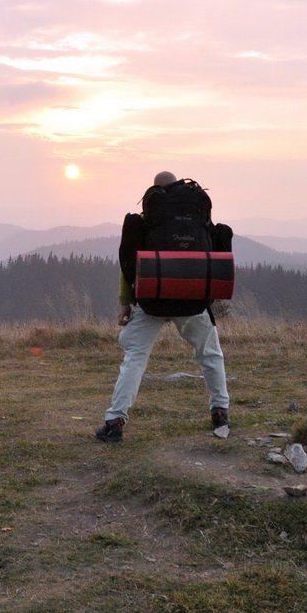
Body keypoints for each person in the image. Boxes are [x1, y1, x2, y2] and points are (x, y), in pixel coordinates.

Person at [95, 171, 230, 442]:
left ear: (155, 189)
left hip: (153, 299)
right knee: (210, 354)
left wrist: (125, 303)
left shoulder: (151, 214)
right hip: (192, 300)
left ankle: (115, 421)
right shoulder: (196, 211)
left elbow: (129, 263)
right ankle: (220, 411)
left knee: (135, 357)